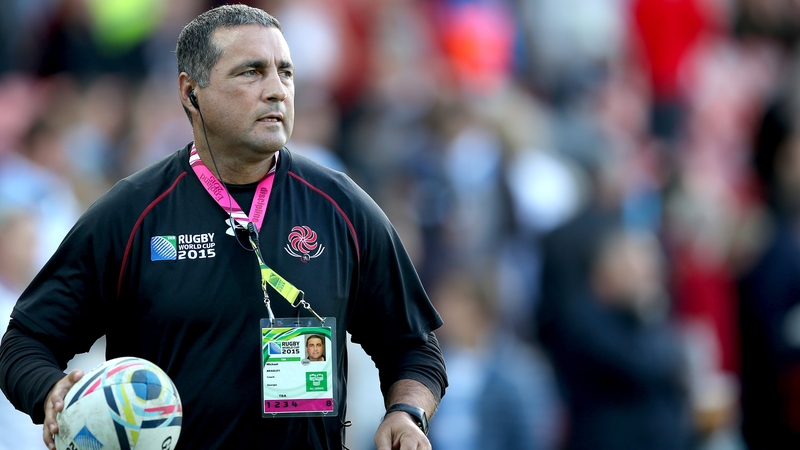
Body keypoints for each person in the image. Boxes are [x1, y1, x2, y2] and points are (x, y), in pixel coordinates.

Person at [0, 5, 447, 450]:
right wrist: (52, 394)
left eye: (285, 72)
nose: (277, 91)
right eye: (251, 72)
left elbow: (414, 346)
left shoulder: (342, 207)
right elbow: (25, 341)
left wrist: (407, 413)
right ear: (191, 92)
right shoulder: (132, 213)